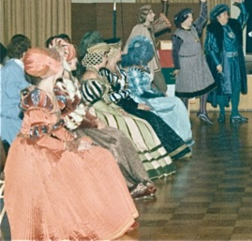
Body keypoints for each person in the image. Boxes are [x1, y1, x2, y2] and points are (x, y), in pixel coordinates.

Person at [4, 47, 139, 240]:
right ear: (52, 67)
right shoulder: (37, 97)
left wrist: (74, 141)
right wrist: (70, 146)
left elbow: (56, 127)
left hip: (47, 146)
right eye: (59, 61)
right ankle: (93, 221)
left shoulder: (53, 92)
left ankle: (110, 217)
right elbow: (39, 137)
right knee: (80, 167)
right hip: (32, 156)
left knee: (101, 156)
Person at [49, 38, 157, 199]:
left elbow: (81, 106)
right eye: (72, 59)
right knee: (111, 144)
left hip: (83, 122)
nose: (77, 61)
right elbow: (67, 115)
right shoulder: (59, 85)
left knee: (120, 136)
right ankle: (128, 185)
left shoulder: (71, 80)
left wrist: (92, 119)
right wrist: (92, 122)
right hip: (73, 129)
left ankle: (141, 179)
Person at [79, 37, 176, 179]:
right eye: (104, 55)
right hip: (97, 112)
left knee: (143, 123)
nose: (106, 58)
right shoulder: (91, 75)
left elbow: (106, 99)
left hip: (106, 108)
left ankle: (151, 164)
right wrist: (115, 110)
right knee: (134, 125)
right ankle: (139, 167)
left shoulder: (97, 73)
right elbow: (97, 102)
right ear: (98, 58)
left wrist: (117, 109)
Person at [115, 36, 193, 156]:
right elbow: (140, 92)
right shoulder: (134, 71)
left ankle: (181, 137)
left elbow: (149, 87)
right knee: (176, 103)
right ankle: (179, 137)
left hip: (150, 95)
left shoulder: (144, 67)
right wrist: (158, 95)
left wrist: (159, 93)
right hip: (141, 99)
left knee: (176, 103)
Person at [172, 0, 217, 124]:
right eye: (190, 17)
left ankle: (202, 111)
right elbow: (174, 52)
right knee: (185, 91)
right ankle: (183, 118)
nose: (192, 18)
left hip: (199, 62)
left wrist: (204, 3)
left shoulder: (194, 28)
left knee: (206, 85)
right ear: (184, 19)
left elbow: (203, 17)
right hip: (186, 64)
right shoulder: (178, 35)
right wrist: (177, 67)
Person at [205, 0, 249, 124]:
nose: (227, 16)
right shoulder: (213, 29)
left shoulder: (234, 25)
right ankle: (222, 113)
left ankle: (235, 113)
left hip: (236, 62)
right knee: (222, 88)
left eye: (227, 14)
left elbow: (244, 16)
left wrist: (242, 5)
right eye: (224, 14)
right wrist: (217, 63)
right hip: (224, 62)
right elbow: (209, 48)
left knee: (236, 86)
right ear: (218, 17)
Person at [125, 0, 171, 94]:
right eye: (151, 13)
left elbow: (161, 21)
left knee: (163, 88)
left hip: (154, 64)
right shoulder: (138, 28)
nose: (154, 14)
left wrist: (165, 3)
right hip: (143, 66)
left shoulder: (149, 27)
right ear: (145, 15)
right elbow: (129, 47)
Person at [1, 34, 31, 146]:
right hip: (10, 120)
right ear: (25, 51)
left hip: (15, 117)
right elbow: (11, 91)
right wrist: (29, 89)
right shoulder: (12, 68)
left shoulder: (16, 67)